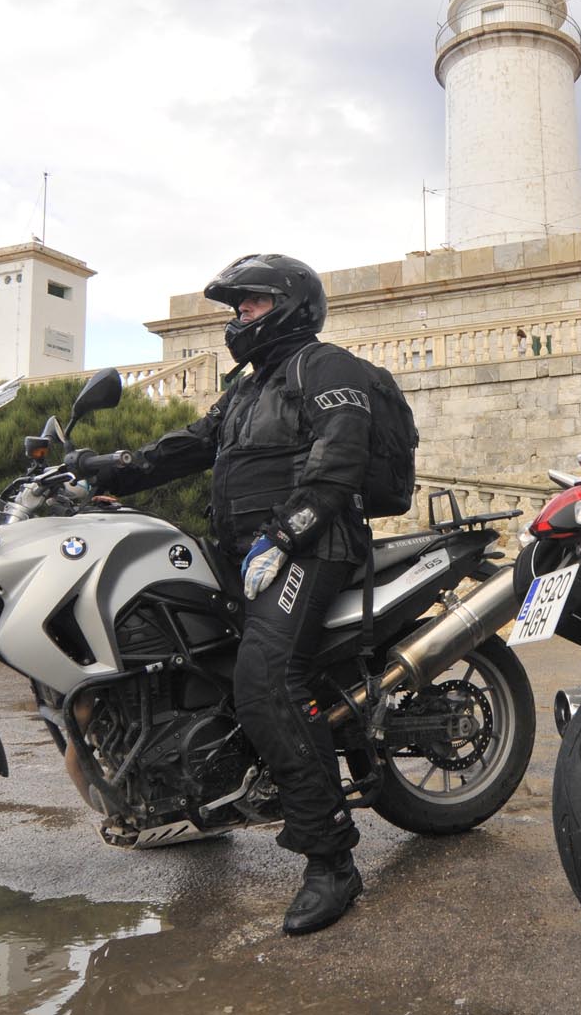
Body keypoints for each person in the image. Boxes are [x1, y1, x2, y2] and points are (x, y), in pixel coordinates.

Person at [98, 253, 374, 934]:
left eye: (252, 304)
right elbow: (184, 447)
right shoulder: (248, 390)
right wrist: (99, 470)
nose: (240, 316)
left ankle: (331, 858)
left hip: (314, 545)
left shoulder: (324, 367)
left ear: (291, 306)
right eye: (237, 307)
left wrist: (287, 533)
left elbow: (341, 456)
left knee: (266, 680)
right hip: (243, 551)